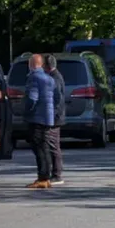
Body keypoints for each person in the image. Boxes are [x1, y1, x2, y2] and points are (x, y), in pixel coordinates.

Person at [23, 53, 55, 189]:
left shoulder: (33, 77)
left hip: (36, 117)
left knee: (38, 148)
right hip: (48, 117)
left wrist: (26, 111)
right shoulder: (50, 79)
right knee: (45, 147)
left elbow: (32, 98)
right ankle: (46, 177)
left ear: (31, 64)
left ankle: (42, 178)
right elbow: (56, 97)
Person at [44, 54, 65, 185]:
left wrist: (53, 115)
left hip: (55, 117)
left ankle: (57, 175)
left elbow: (57, 99)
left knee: (53, 145)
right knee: (52, 144)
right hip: (55, 116)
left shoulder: (55, 78)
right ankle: (55, 173)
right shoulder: (54, 76)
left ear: (47, 66)